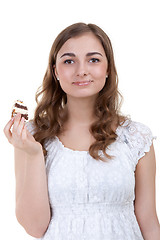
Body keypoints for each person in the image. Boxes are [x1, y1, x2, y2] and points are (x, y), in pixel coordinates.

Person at [4, 22, 160, 240]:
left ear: (108, 69)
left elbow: (150, 224)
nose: (81, 70)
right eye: (69, 61)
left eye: (93, 59)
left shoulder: (136, 137)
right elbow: (35, 227)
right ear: (55, 71)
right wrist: (32, 154)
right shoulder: (31, 136)